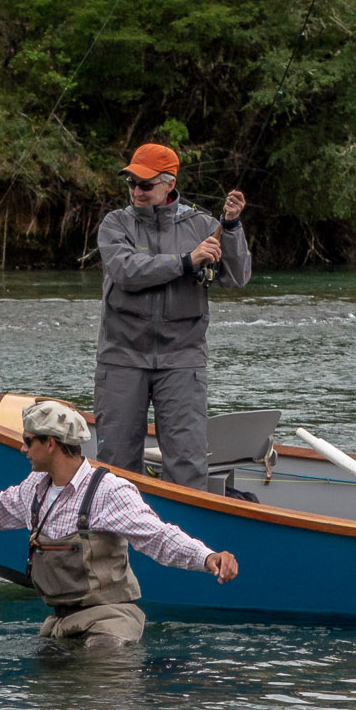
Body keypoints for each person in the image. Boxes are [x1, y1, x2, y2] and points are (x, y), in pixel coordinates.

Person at [0, 400, 240, 646]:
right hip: (60, 623)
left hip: (110, 622)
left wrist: (207, 558)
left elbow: (158, 537)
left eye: (28, 441)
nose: (22, 448)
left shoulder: (108, 491)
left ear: (51, 443)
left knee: (96, 676)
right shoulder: (35, 488)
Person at [94, 142, 252, 493]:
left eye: (145, 184)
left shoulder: (203, 224)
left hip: (183, 360)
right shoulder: (115, 224)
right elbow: (125, 271)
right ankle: (114, 543)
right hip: (121, 358)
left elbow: (237, 277)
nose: (137, 191)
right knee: (116, 464)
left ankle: (185, 544)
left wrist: (231, 226)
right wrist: (185, 262)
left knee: (187, 463)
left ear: (169, 183)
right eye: (132, 183)